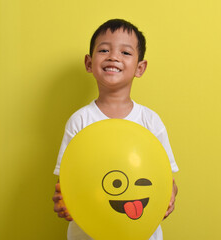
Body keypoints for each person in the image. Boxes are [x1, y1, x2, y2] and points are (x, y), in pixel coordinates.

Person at [52, 19, 179, 240]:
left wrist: (170, 196)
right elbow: (67, 181)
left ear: (140, 68)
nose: (113, 56)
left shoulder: (150, 121)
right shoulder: (79, 121)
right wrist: (63, 201)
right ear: (89, 63)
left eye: (126, 52)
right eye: (104, 50)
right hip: (88, 234)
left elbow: (167, 180)